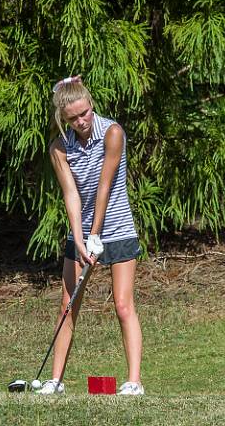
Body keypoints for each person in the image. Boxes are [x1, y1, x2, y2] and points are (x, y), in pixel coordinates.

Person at [36, 75, 144, 396]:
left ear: (91, 104)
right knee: (68, 305)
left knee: (123, 305)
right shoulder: (60, 147)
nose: (82, 121)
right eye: (73, 117)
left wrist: (96, 234)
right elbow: (72, 195)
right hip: (83, 233)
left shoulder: (112, 132)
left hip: (118, 230)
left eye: (84, 113)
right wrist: (80, 239)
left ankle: (134, 381)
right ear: (63, 118)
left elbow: (104, 186)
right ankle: (55, 381)